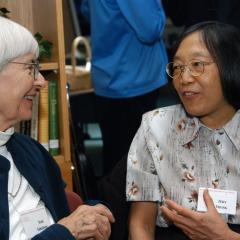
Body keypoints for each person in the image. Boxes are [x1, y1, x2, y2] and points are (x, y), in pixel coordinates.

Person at [0, 16, 114, 240]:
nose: (41, 82)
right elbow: (65, 227)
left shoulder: (30, 151)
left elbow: (65, 213)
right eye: (31, 67)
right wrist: (67, 231)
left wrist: (92, 215)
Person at [126, 21, 240, 240]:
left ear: (230, 66)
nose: (184, 79)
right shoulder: (155, 126)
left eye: (197, 65)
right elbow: (141, 225)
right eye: (177, 67)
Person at [81, 0, 168, 176]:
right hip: (134, 78)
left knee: (116, 160)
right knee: (134, 167)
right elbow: (150, 29)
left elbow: (86, 11)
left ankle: (112, 203)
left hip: (109, 75)